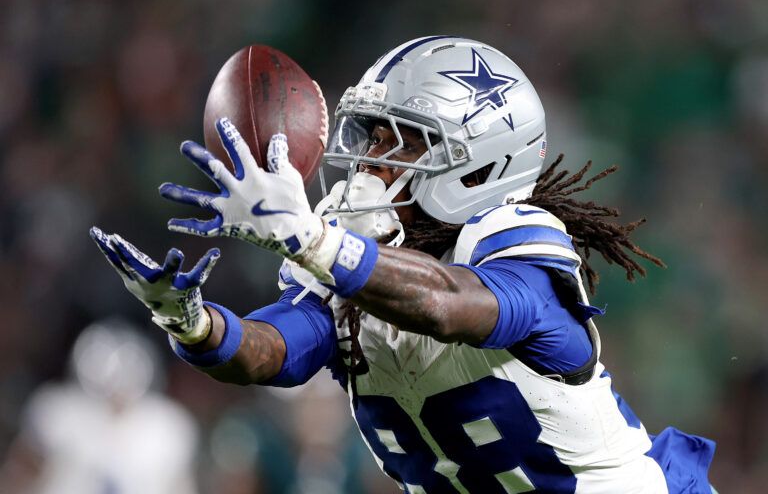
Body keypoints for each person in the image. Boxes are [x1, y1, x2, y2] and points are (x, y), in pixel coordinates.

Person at [90, 36, 716, 493]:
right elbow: (274, 351)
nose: (374, 161)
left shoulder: (515, 241)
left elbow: (451, 306)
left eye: (406, 141)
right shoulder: (342, 260)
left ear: (481, 162)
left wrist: (312, 239)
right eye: (372, 136)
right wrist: (195, 325)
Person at [0, 319, 199, 494]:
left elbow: (180, 487)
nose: (116, 389)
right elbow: (19, 475)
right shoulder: (57, 412)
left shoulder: (167, 426)